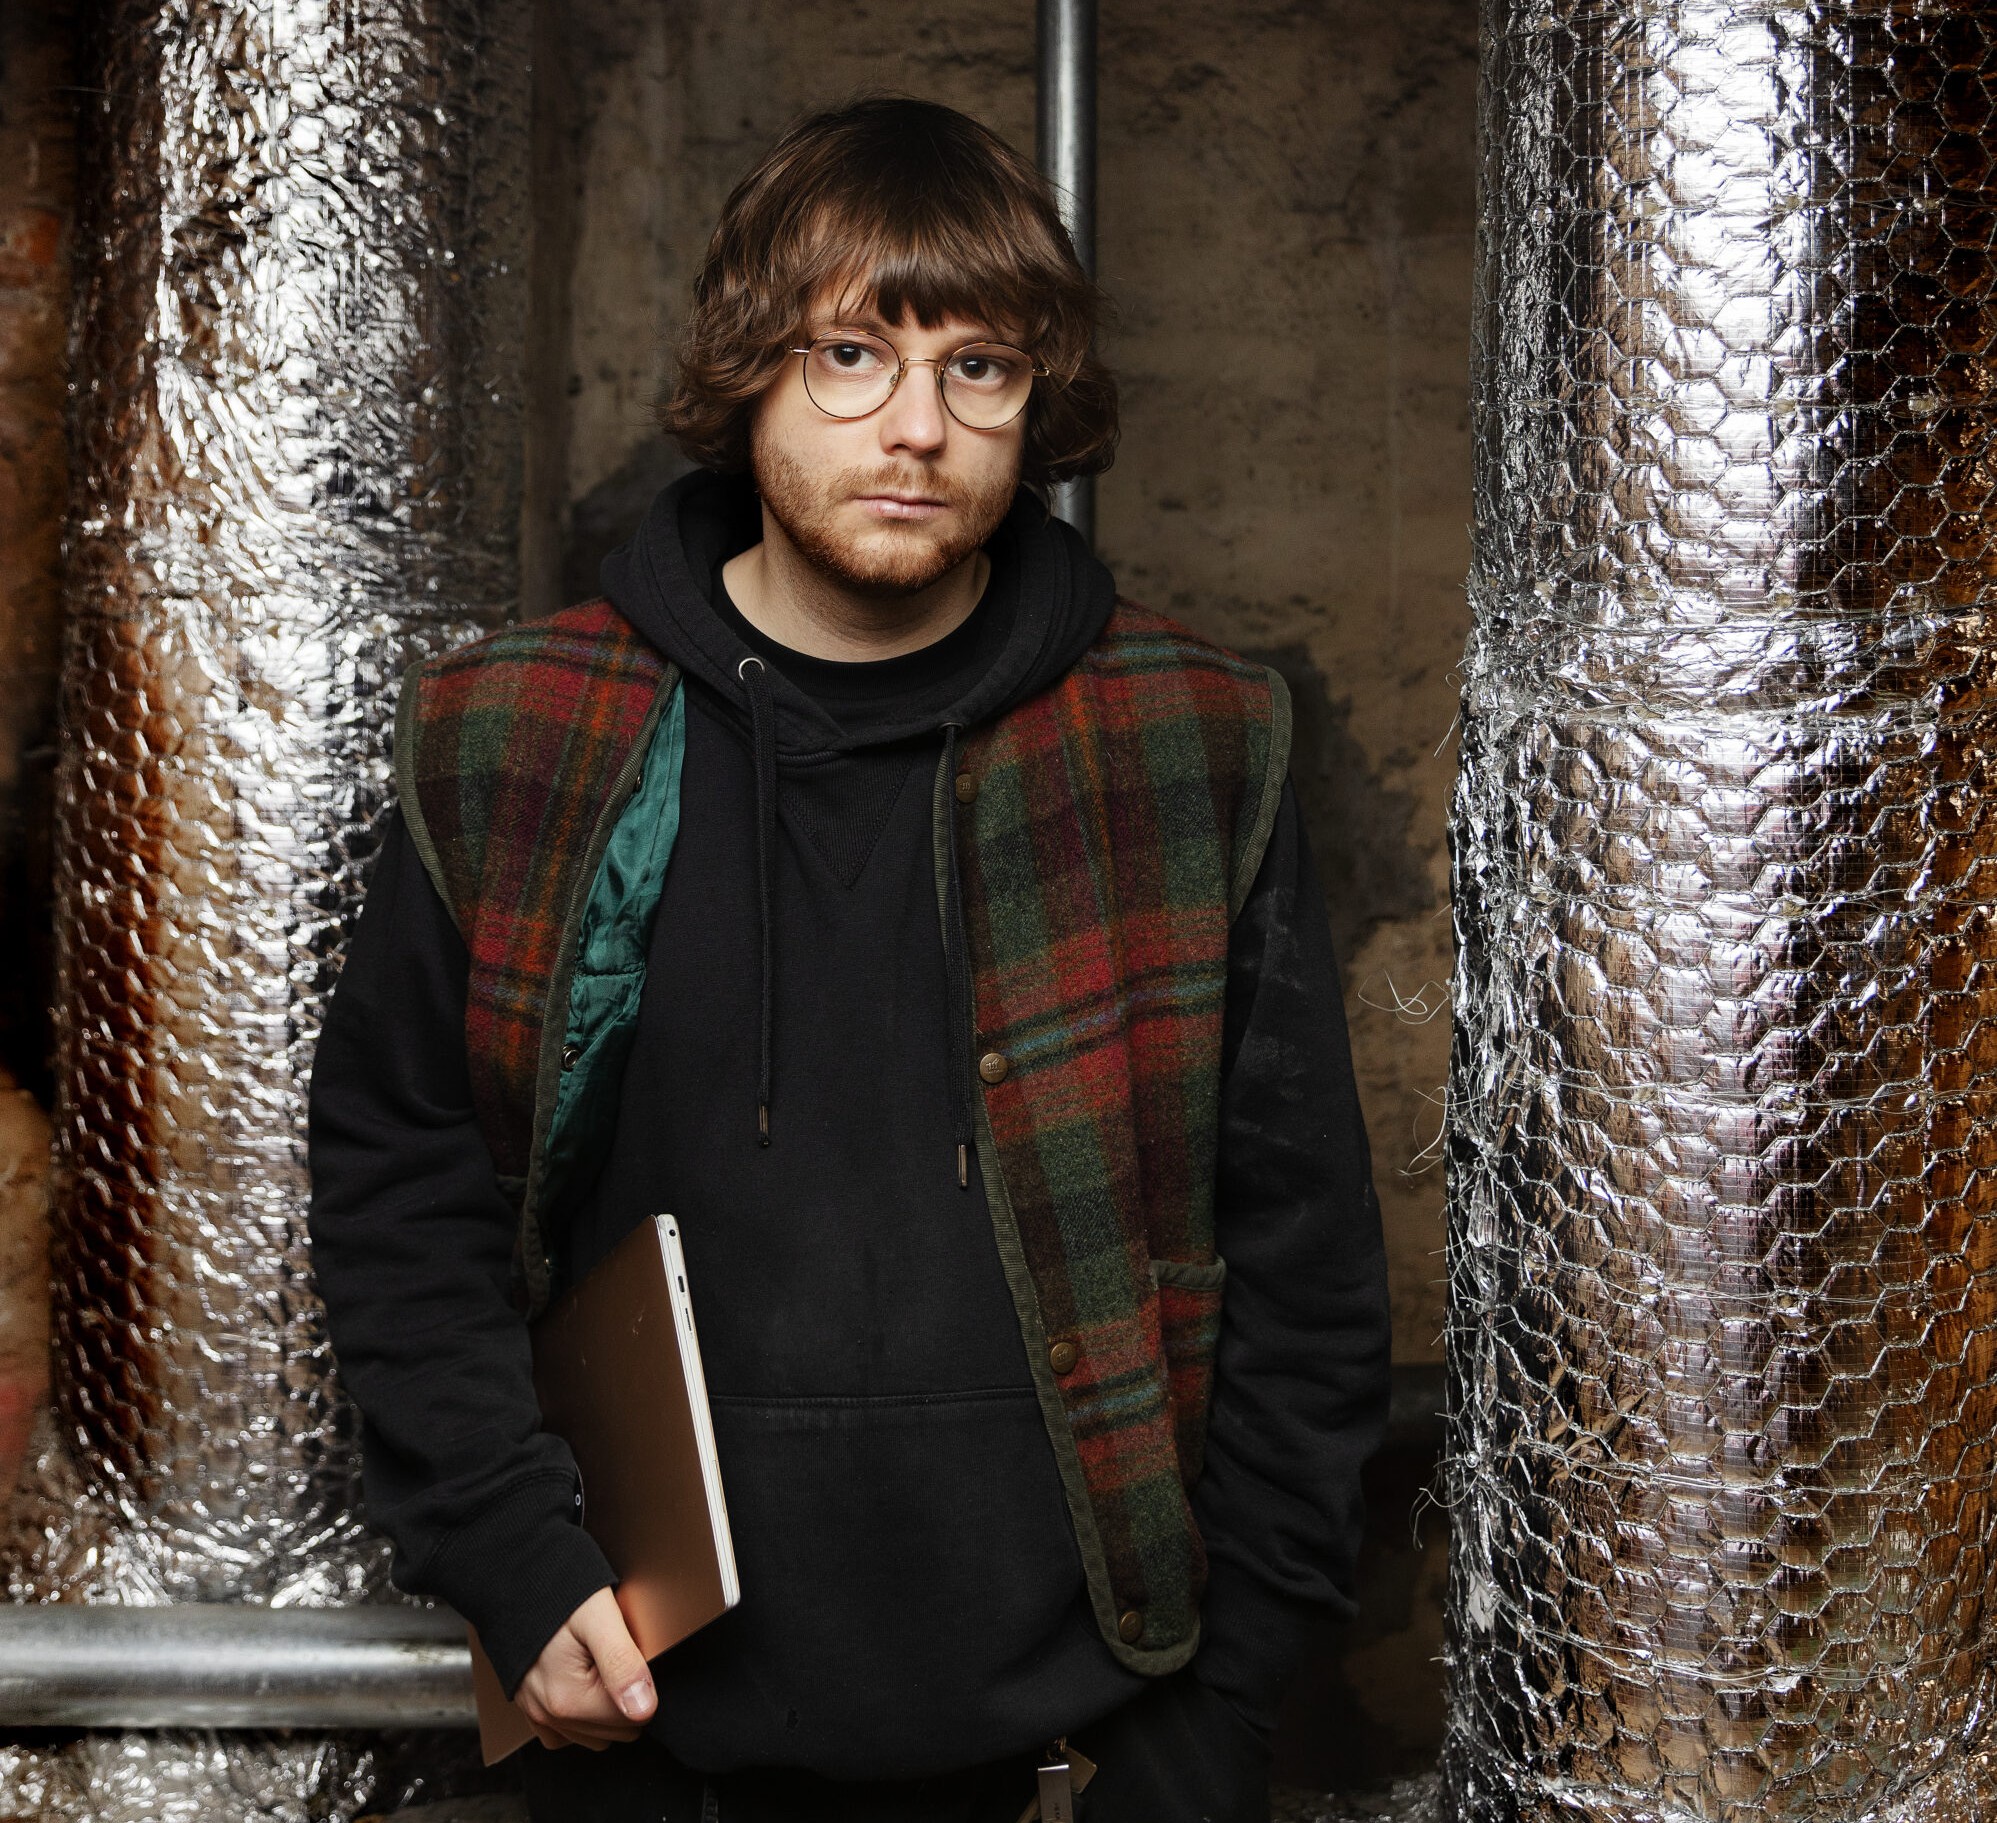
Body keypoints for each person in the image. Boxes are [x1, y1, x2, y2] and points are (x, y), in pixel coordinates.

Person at [308, 95, 1390, 1823]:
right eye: (849, 355)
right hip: (651, 1728)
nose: (916, 428)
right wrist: (513, 1556)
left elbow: (1304, 1259)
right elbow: (402, 1187)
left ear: (1036, 403)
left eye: (980, 369)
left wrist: (1224, 1698)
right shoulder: (516, 735)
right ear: (749, 371)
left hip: (1089, 1736)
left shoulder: (1186, 740)